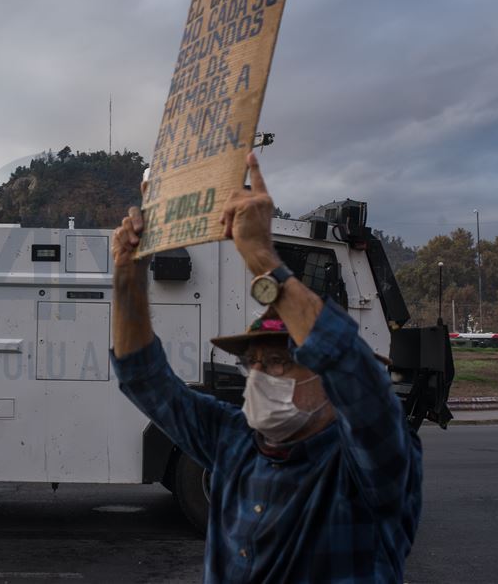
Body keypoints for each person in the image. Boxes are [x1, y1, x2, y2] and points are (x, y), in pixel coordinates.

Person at [110, 152, 422, 583]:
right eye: (252, 362)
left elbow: (354, 372)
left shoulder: (365, 464)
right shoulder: (235, 442)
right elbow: (145, 379)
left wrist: (261, 257)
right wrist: (128, 274)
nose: (258, 375)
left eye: (279, 361)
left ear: (325, 376)